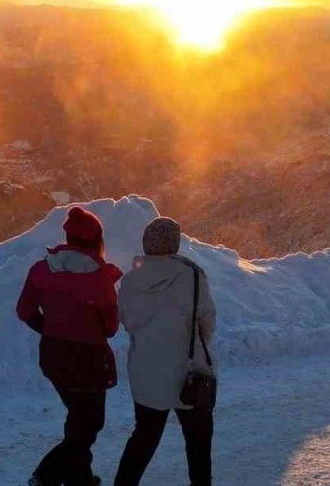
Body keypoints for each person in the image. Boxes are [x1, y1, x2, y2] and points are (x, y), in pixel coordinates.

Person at [17, 206, 123, 486]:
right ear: (97, 241)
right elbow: (111, 329)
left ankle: (80, 478)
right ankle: (45, 476)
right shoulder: (99, 280)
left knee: (79, 420)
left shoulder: (42, 269)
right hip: (88, 362)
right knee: (88, 426)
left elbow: (24, 310)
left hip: (52, 356)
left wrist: (50, 329)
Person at [114, 217, 216, 486]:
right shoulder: (193, 276)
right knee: (198, 442)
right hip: (189, 371)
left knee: (143, 438)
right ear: (175, 244)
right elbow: (207, 323)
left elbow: (128, 322)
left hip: (146, 372)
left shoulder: (130, 281)